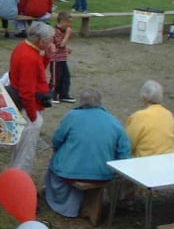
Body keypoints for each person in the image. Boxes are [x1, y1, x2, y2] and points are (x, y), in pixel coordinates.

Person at [44, 88, 131, 218]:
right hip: (103, 173)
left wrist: (56, 150)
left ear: (80, 102)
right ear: (100, 102)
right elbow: (124, 150)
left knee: (55, 168)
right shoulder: (113, 121)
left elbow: (57, 139)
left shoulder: (72, 116)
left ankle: (66, 206)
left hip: (70, 172)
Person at [8, 21, 55, 174]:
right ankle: (19, 178)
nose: (51, 43)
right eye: (49, 41)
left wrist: (47, 57)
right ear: (41, 41)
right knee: (25, 150)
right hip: (29, 108)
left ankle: (16, 175)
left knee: (20, 147)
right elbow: (26, 91)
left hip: (25, 105)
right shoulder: (30, 57)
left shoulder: (24, 48)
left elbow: (37, 70)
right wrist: (33, 117)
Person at [124, 80, 174, 158]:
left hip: (145, 161)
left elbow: (128, 143)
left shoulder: (139, 116)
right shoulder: (169, 114)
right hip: (169, 158)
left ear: (144, 97)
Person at [49, 12, 75, 104]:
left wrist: (67, 48)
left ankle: (64, 94)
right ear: (63, 22)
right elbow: (60, 44)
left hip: (62, 58)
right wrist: (68, 35)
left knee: (65, 77)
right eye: (68, 23)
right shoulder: (56, 31)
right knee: (56, 78)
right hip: (56, 59)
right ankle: (52, 95)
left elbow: (62, 45)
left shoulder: (62, 32)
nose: (70, 25)